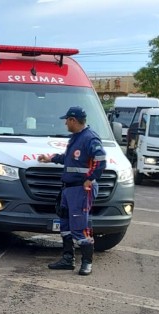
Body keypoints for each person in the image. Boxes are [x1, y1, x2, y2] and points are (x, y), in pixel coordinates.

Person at [36, 106, 106, 275]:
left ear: (73, 120)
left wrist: (90, 178)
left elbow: (101, 160)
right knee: (65, 225)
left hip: (81, 189)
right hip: (69, 189)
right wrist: (50, 158)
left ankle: (87, 263)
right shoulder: (76, 138)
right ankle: (68, 259)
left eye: (67, 120)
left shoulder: (89, 138)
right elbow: (68, 159)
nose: (65, 123)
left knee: (80, 226)